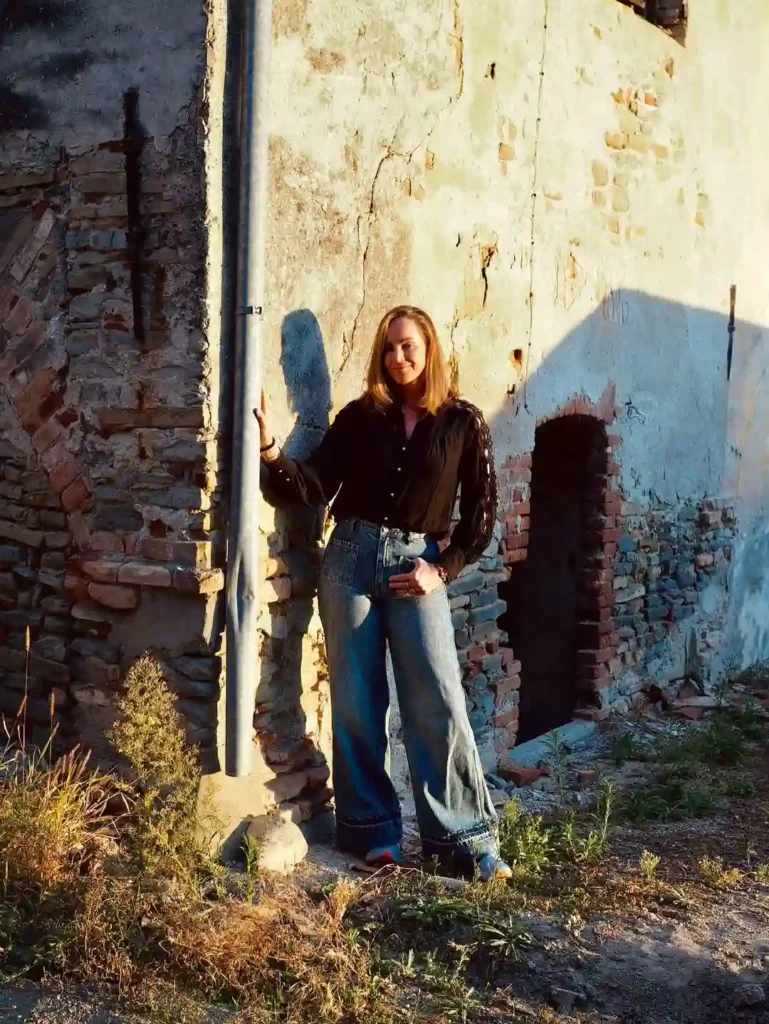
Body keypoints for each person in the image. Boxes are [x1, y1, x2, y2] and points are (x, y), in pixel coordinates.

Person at [255, 305, 512, 880]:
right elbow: (314, 484)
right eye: (390, 347)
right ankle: (373, 833)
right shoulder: (360, 418)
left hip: (415, 569)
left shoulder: (463, 423)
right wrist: (272, 451)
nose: (398, 357)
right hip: (348, 563)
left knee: (437, 700)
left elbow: (481, 516)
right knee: (356, 704)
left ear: (429, 351)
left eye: (409, 346)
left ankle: (464, 842)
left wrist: (439, 570)